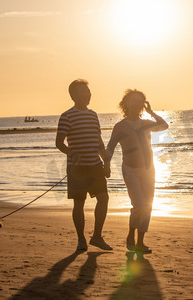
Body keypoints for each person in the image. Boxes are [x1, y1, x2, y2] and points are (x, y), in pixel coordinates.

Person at [105, 89, 168, 253]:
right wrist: (106, 164)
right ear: (126, 104)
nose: (137, 104)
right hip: (130, 170)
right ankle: (130, 235)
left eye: (140, 101)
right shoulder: (120, 126)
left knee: (147, 206)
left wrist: (151, 112)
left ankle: (140, 242)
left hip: (148, 169)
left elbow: (164, 125)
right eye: (134, 101)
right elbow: (110, 147)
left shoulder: (146, 123)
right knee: (139, 204)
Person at [55, 79, 112, 251]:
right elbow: (59, 143)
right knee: (79, 203)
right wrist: (71, 153)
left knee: (103, 199)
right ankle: (81, 239)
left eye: (88, 91)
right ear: (73, 95)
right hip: (77, 168)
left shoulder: (93, 115)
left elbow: (99, 141)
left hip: (95, 165)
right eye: (83, 91)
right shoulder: (67, 116)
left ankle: (96, 237)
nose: (87, 94)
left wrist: (106, 161)